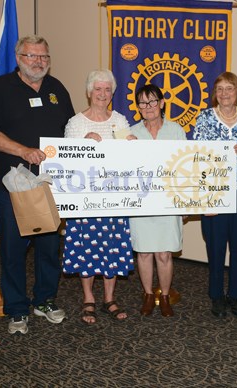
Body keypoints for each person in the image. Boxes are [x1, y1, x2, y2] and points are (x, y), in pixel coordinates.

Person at [0, 35, 75, 335]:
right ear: (18, 57)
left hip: (50, 184)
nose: (39, 62)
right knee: (12, 249)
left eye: (44, 57)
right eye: (32, 56)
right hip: (14, 186)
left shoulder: (56, 89)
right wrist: (22, 151)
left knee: (50, 246)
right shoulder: (0, 89)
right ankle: (17, 309)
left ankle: (45, 300)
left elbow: (70, 129)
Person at [62, 70, 135, 324]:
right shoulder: (76, 122)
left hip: (114, 198)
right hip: (86, 200)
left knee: (112, 247)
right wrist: (82, 142)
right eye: (98, 89)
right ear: (89, 92)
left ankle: (109, 298)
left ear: (112, 93)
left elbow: (130, 155)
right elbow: (66, 160)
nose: (102, 94)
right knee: (87, 247)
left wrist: (133, 144)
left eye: (107, 90)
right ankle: (88, 298)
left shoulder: (120, 120)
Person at [193, 71, 237, 318]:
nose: (224, 93)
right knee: (215, 246)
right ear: (215, 93)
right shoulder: (204, 119)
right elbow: (197, 157)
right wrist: (205, 199)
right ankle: (216, 297)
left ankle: (235, 296)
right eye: (220, 89)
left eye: (229, 88)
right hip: (214, 192)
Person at [128, 84, 186, 317]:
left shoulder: (176, 131)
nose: (148, 107)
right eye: (143, 103)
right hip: (140, 201)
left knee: (164, 253)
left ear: (162, 103)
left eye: (153, 102)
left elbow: (185, 168)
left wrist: (184, 204)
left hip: (168, 200)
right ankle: (148, 295)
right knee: (143, 252)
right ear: (138, 107)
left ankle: (164, 295)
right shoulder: (130, 133)